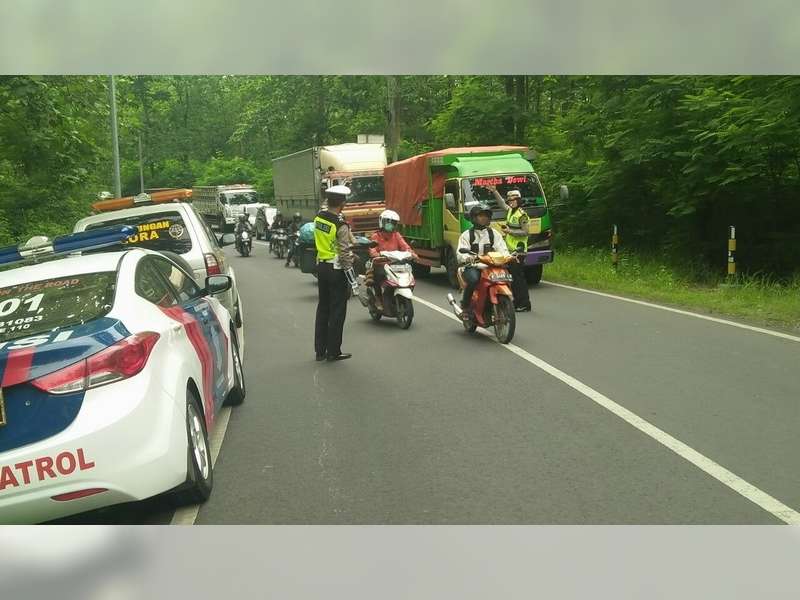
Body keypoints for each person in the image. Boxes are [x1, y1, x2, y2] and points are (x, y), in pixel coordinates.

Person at [314, 185, 358, 362]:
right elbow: (344, 253)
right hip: (335, 270)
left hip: (321, 268)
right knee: (337, 312)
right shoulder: (340, 225)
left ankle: (320, 351)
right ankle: (334, 351)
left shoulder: (319, 218)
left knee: (323, 308)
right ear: (342, 203)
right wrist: (352, 278)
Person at [457, 203, 510, 319]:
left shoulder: (494, 234)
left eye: (486, 215)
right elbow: (461, 253)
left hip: (491, 266)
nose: (484, 218)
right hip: (473, 266)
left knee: (507, 278)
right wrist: (468, 258)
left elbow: (503, 249)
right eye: (480, 216)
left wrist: (507, 256)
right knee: (473, 280)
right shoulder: (466, 235)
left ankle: (505, 303)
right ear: (474, 218)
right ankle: (465, 307)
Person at [485, 186, 532, 312]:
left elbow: (526, 232)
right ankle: (517, 302)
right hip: (511, 251)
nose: (511, 201)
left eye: (513, 199)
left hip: (519, 251)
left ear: (519, 200)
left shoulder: (522, 215)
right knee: (513, 277)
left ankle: (524, 303)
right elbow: (502, 204)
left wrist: (509, 231)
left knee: (518, 278)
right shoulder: (511, 211)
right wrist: (495, 192)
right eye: (509, 200)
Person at [368, 210, 418, 310]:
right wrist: (377, 255)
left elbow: (405, 246)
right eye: (388, 222)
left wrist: (412, 254)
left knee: (409, 275)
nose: (390, 225)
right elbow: (372, 250)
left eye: (393, 223)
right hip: (381, 263)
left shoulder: (396, 235)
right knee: (378, 275)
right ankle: (378, 298)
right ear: (382, 222)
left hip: (396, 264)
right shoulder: (376, 236)